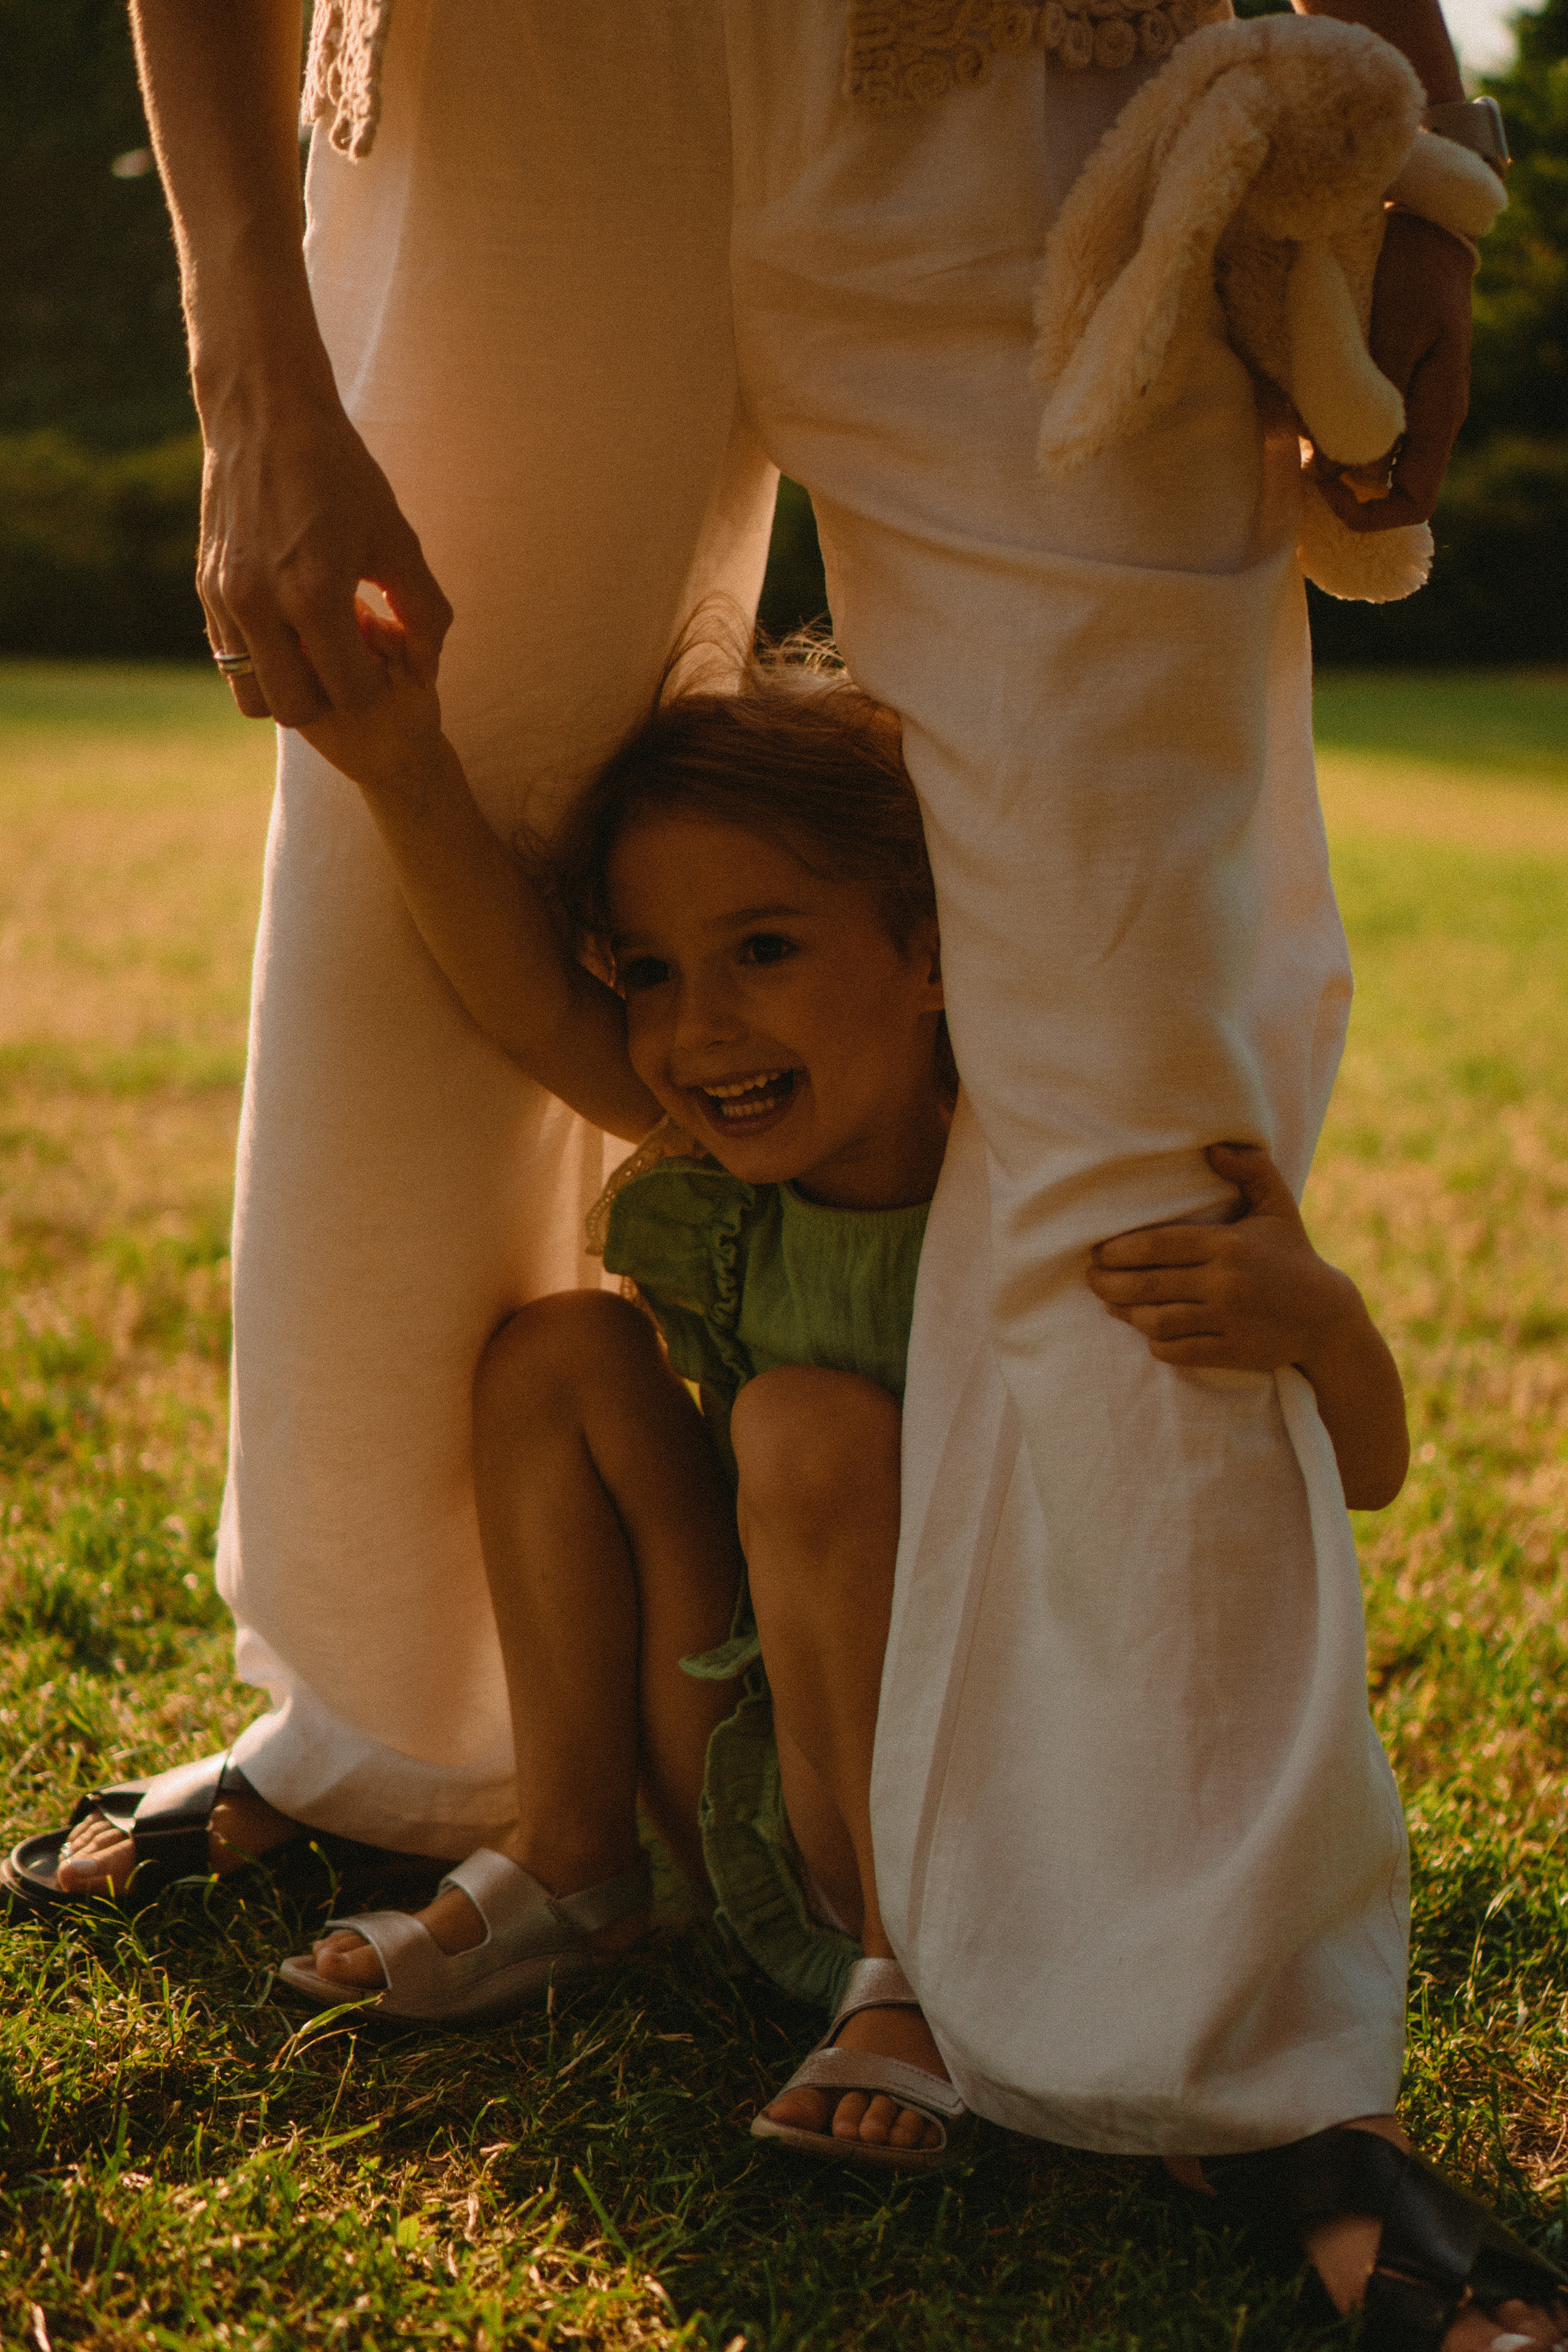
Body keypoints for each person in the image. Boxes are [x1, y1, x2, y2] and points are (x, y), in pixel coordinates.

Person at [18, 3, 1547, 2343]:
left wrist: (1420, 111)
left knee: (1134, 1052)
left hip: (1039, 74)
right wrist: (252, 365)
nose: (704, 1026)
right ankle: (413, 1737)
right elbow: (532, 992)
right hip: (505, 74)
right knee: (387, 848)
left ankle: (1212, 2018)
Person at [275, 620, 1408, 2180]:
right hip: (759, 1767)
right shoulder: (749, 1172)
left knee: (801, 1425)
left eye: (765, 949)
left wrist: (1320, 1318)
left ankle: (910, 1982)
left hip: (976, 1797)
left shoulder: (1047, 1189)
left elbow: (1362, 1473)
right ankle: (577, 1858)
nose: (698, 1033)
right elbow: (536, 1009)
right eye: (654, 973)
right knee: (561, 1356)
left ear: (933, 951)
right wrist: (400, 765)